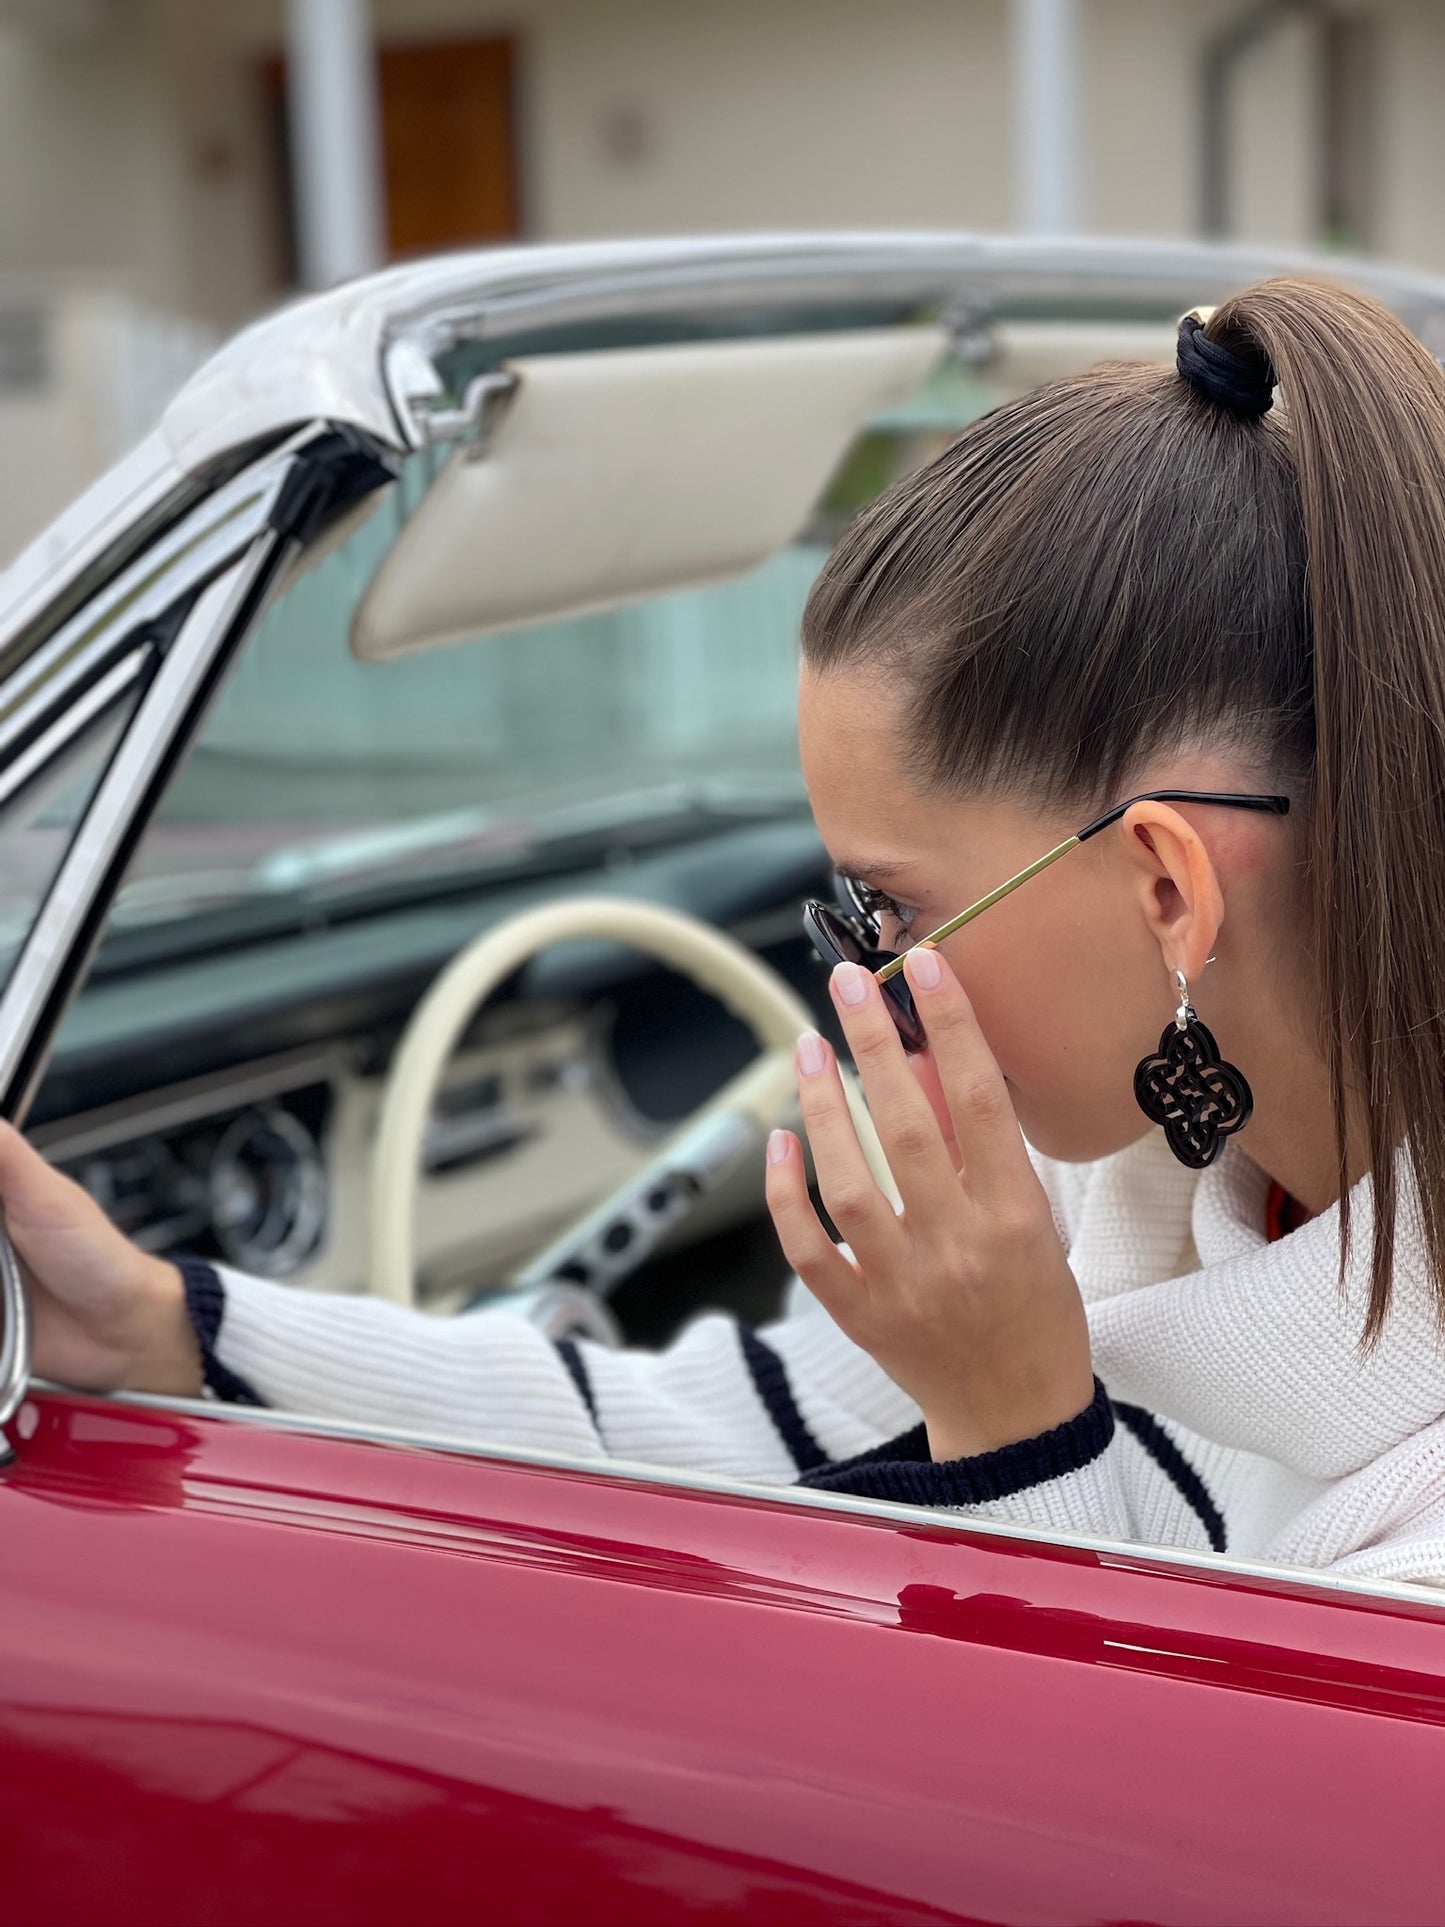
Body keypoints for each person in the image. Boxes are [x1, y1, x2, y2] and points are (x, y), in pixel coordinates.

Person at [4, 273, 1445, 1589]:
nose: (863, 979)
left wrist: (1011, 1419)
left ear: (1164, 893)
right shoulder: (1135, 1168)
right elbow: (747, 1433)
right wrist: (170, 1328)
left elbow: (1128, 1855)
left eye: (892, 908)